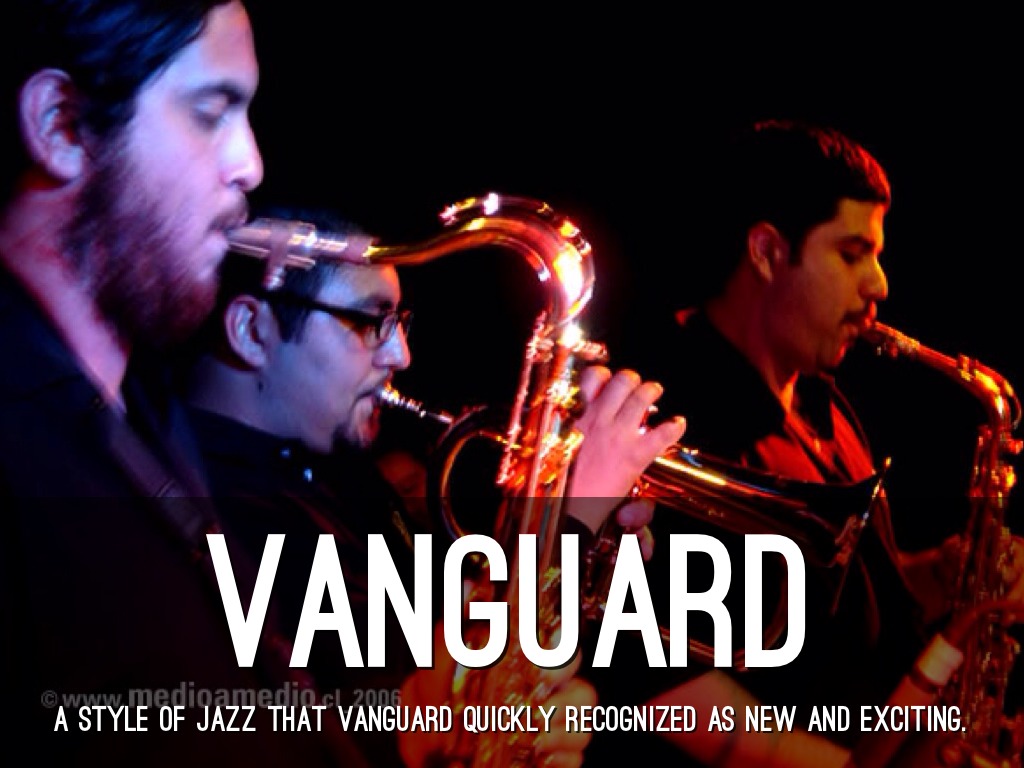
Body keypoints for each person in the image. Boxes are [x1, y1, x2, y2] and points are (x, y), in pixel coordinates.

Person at [176, 206, 687, 767]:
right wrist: (569, 517)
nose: (401, 354)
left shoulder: (338, 473)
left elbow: (455, 656)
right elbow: (433, 730)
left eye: (400, 322)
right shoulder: (214, 516)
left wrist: (569, 542)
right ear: (251, 330)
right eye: (370, 322)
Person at [589, 118, 1024, 767]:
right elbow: (655, 686)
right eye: (852, 253)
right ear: (767, 252)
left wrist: (936, 577)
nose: (880, 285)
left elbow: (828, 603)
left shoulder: (823, 399)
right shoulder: (665, 417)